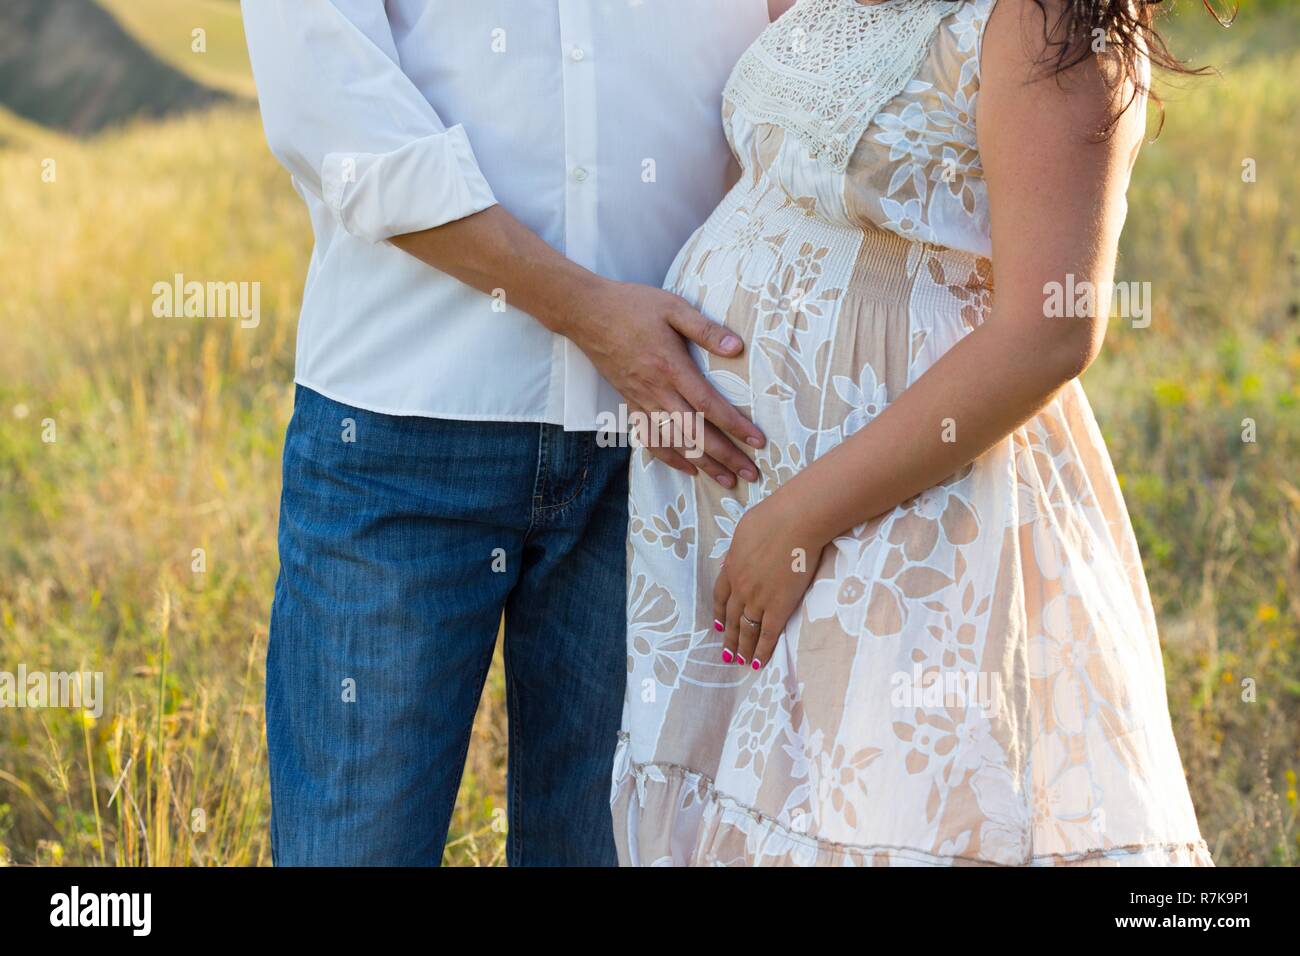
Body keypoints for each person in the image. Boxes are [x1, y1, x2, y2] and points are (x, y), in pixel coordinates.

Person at [614, 0, 1214, 867]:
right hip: (734, 491)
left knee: (879, 804)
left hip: (902, 496)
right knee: (752, 792)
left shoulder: (1045, 20)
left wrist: (798, 521)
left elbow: (1052, 330)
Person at [241, 0, 771, 866]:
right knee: (357, 844)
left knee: (610, 845)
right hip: (404, 424)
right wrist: (591, 315)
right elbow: (333, 108)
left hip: (664, 443)